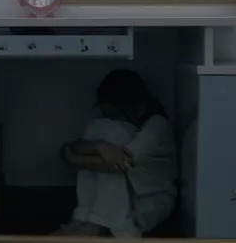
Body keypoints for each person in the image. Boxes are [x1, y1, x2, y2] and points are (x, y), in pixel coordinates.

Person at [53, 69, 178, 237]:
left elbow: (119, 164)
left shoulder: (157, 126)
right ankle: (84, 219)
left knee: (112, 131)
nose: (109, 119)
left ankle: (96, 226)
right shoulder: (106, 126)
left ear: (139, 110)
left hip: (151, 198)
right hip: (121, 198)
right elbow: (75, 147)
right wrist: (100, 147)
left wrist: (72, 158)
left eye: (113, 115)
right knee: (97, 127)